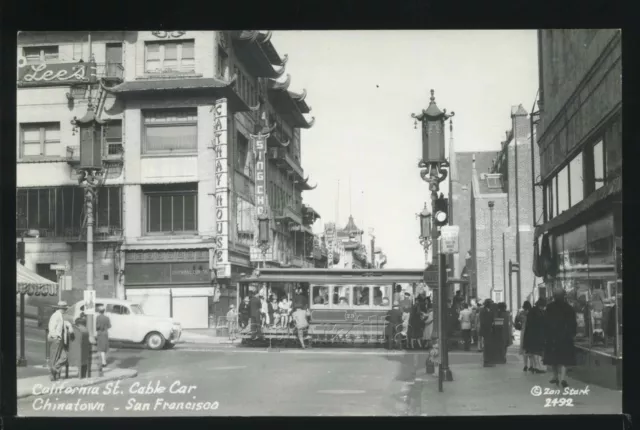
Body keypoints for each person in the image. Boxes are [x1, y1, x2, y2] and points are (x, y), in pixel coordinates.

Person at [544, 288, 577, 388]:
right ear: (564, 296)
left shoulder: (549, 307)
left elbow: (545, 322)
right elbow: (573, 323)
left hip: (552, 337)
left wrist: (546, 335)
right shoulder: (569, 308)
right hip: (565, 337)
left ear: (554, 296)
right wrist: (572, 334)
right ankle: (563, 378)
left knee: (553, 358)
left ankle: (555, 376)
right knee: (564, 359)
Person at [47, 301, 73, 381]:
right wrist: (56, 336)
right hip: (56, 339)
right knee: (54, 358)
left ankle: (54, 369)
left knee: (64, 357)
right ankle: (52, 375)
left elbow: (61, 323)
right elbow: (51, 327)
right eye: (65, 309)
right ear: (63, 309)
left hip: (59, 339)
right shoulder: (56, 316)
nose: (66, 310)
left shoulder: (59, 315)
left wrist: (69, 325)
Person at [523, 298, 546, 373]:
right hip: (537, 335)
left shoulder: (533, 311)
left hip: (531, 335)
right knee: (537, 352)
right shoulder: (538, 312)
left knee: (533, 352)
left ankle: (535, 367)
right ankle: (538, 368)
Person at [69, 314, 91, 379]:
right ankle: (83, 374)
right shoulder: (85, 330)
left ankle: (80, 374)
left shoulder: (77, 329)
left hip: (76, 351)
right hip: (84, 350)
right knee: (83, 361)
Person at [95, 305, 111, 374]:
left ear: (99, 311)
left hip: (100, 333)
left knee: (101, 348)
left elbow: (97, 326)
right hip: (105, 333)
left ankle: (103, 362)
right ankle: (104, 361)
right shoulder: (107, 318)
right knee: (104, 348)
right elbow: (109, 326)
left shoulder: (98, 317)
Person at [479, 299, 495, 366]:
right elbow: (483, 321)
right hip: (485, 330)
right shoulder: (483, 311)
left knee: (488, 346)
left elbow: (491, 319)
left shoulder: (490, 311)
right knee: (486, 346)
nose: (492, 305)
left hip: (489, 330)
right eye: (491, 303)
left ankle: (488, 360)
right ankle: (486, 361)